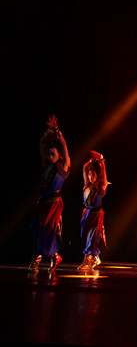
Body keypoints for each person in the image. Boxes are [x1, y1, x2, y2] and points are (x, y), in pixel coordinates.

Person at [30, 116, 71, 271]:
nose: (49, 156)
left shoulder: (62, 167)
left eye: (52, 153)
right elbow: (41, 144)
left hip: (54, 203)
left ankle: (38, 256)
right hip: (43, 202)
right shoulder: (45, 164)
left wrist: (58, 134)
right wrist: (48, 133)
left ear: (58, 153)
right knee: (42, 229)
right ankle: (53, 256)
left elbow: (64, 147)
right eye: (48, 154)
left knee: (49, 229)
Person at [77, 151, 108, 270]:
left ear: (97, 175)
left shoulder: (101, 186)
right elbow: (85, 168)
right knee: (85, 236)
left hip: (96, 214)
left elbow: (104, 176)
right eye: (89, 174)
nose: (90, 176)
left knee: (92, 237)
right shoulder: (87, 185)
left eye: (93, 174)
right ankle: (95, 257)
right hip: (87, 214)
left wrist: (101, 161)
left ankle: (88, 259)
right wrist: (92, 161)